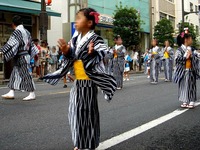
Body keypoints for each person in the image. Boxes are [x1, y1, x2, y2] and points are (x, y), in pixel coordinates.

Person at [41, 8, 117, 150]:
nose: (76, 21)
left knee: (86, 112)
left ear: (89, 22)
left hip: (88, 82)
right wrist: (66, 50)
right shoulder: (76, 38)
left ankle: (87, 144)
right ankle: (81, 142)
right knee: (75, 112)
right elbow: (73, 56)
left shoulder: (96, 39)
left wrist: (92, 53)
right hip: (78, 82)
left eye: (79, 18)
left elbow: (103, 52)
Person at [0, 15, 38, 101]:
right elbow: (31, 46)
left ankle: (32, 93)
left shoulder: (17, 31)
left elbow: (11, 43)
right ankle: (11, 91)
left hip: (22, 56)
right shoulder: (27, 32)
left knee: (26, 74)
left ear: (13, 24)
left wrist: (2, 50)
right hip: (25, 55)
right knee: (15, 73)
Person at [173, 31, 200, 109]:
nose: (191, 40)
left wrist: (191, 56)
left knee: (191, 85)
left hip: (191, 70)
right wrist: (185, 57)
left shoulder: (192, 49)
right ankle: (184, 100)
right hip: (183, 70)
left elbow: (197, 57)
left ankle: (191, 100)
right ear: (186, 39)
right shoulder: (179, 50)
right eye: (190, 39)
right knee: (183, 86)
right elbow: (177, 59)